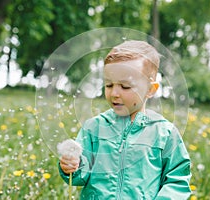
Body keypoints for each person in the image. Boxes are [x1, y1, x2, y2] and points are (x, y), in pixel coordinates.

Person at [58, 40, 191, 199]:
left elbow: (177, 181)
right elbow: (80, 175)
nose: (114, 93)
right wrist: (71, 167)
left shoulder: (165, 133)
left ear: (150, 89)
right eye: (108, 85)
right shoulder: (94, 128)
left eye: (125, 87)